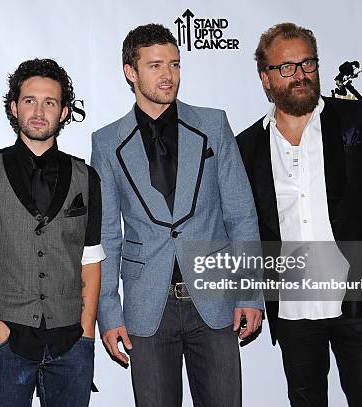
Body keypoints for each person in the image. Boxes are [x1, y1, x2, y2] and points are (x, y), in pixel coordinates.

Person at [236, 22, 362, 407]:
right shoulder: (245, 147)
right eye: (286, 67)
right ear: (265, 79)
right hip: (292, 309)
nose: (300, 75)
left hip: (359, 299)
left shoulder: (355, 120)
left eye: (308, 64)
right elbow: (244, 227)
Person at [91, 23, 263, 407]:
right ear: (130, 72)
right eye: (154, 65)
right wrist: (109, 311)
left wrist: (250, 293)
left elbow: (241, 214)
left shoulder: (213, 125)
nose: (168, 75)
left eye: (174, 64)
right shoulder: (106, 143)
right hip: (146, 306)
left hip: (215, 302)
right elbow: (106, 235)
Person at [0, 58, 104, 407]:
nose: (39, 111)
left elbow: (91, 260)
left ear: (65, 112)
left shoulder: (87, 177)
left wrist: (86, 334)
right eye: (29, 100)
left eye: (50, 102)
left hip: (71, 344)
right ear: (14, 107)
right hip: (6, 342)